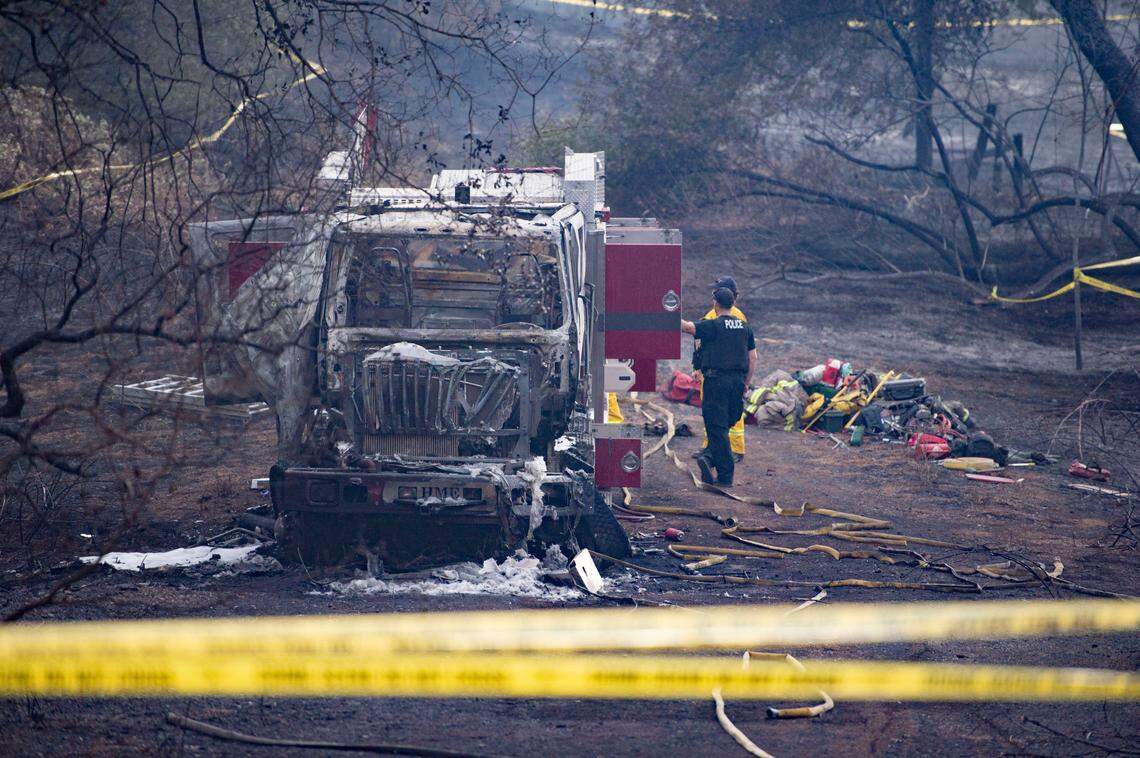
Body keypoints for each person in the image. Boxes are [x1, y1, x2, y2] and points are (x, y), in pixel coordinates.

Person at [682, 287, 758, 486]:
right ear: (733, 303)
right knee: (725, 425)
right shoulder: (745, 326)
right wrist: (746, 384)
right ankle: (709, 458)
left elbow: (689, 328)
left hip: (716, 383)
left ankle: (724, 476)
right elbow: (753, 358)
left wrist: (666, 314)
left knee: (716, 428)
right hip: (738, 383)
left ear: (715, 303)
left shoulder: (713, 324)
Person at [696, 276, 748, 460]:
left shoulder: (735, 316)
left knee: (728, 413)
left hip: (721, 374)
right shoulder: (712, 315)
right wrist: (697, 367)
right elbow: (700, 343)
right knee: (712, 413)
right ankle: (712, 448)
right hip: (712, 372)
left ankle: (734, 449)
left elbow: (744, 348)